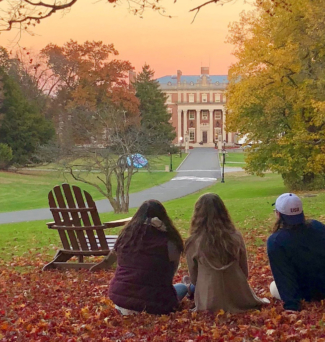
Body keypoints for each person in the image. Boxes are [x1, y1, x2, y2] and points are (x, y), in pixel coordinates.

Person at [184, 193, 268, 313]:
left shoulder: (193, 241)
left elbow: (194, 277)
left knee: (187, 282)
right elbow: (244, 271)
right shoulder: (235, 237)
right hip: (239, 296)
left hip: (209, 300)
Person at [108, 199, 188, 315]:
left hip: (121, 301)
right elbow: (171, 272)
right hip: (154, 304)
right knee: (182, 287)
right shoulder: (169, 241)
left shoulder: (126, 237)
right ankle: (189, 286)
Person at [267, 193, 325, 311]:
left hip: (305, 293)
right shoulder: (317, 226)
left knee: (273, 286)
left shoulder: (276, 241)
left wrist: (291, 306)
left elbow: (283, 275)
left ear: (278, 215)